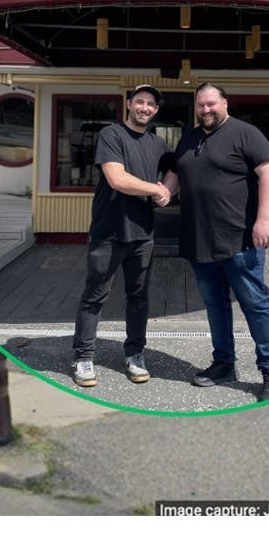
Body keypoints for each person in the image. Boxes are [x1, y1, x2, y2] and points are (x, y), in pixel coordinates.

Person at [162, 82, 269, 402]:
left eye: (211, 104)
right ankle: (224, 364)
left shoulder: (246, 133)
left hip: (239, 238)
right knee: (215, 306)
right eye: (200, 105)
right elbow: (176, 173)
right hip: (199, 239)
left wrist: (264, 219)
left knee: (255, 305)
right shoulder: (189, 138)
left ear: (225, 103)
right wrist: (161, 193)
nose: (206, 110)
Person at [70, 85, 173, 388]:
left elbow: (176, 169)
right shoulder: (111, 135)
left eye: (150, 104)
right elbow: (117, 178)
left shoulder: (158, 144)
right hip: (109, 233)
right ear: (129, 104)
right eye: (139, 101)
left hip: (143, 234)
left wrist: (168, 190)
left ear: (156, 110)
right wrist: (156, 190)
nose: (144, 107)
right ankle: (83, 357)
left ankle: (135, 354)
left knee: (138, 297)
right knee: (94, 296)